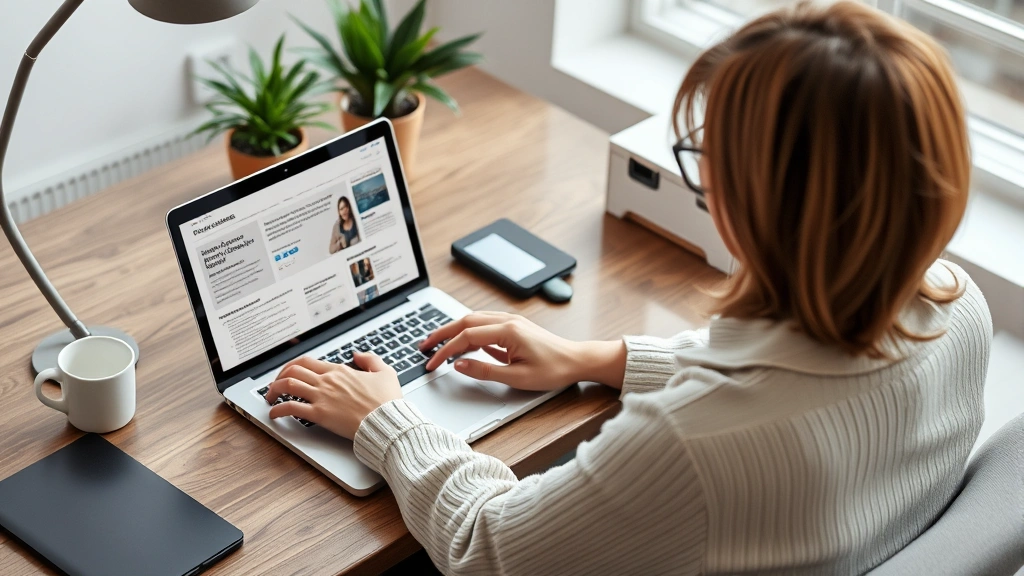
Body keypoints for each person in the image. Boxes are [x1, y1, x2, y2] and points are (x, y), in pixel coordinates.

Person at [263, 2, 992, 574]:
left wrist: (387, 421)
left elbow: (487, 548)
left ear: (760, 201)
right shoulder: (959, 309)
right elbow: (794, 385)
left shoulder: (686, 445)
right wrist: (600, 358)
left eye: (711, 160)